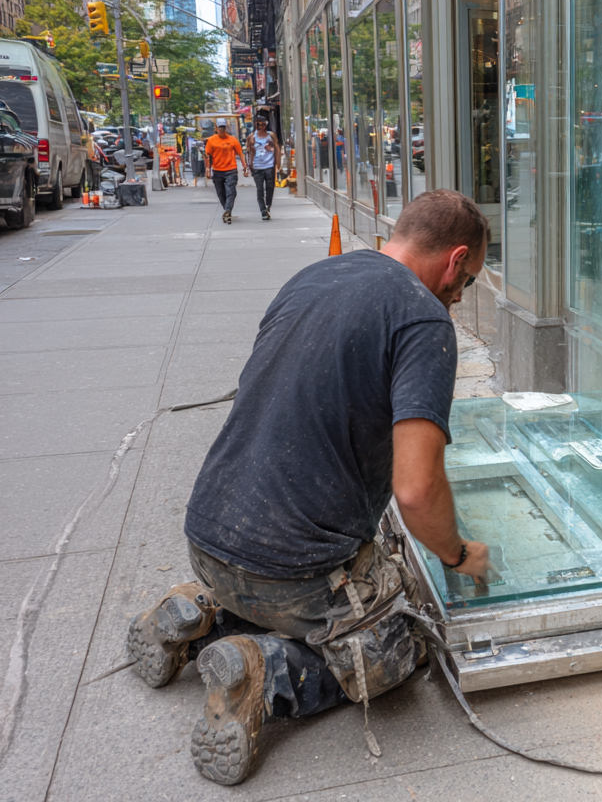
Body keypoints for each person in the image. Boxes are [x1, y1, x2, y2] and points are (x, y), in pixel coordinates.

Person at [126, 190, 493, 786]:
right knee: (399, 648)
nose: (459, 295)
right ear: (454, 261)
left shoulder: (313, 276)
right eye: (469, 281)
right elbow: (417, 492)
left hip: (207, 536)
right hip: (295, 574)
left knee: (269, 586)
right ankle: (262, 670)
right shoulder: (424, 318)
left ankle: (195, 615)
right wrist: (459, 553)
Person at [204, 118, 249, 223]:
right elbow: (207, 155)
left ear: (226, 128)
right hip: (217, 170)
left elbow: (241, 154)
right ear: (216, 128)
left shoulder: (232, 140)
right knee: (221, 193)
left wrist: (245, 167)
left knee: (231, 192)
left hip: (231, 170)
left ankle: (228, 210)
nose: (222, 129)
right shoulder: (211, 141)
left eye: (223, 127)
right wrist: (207, 169)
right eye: (220, 127)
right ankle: (227, 210)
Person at [246, 114, 281, 220]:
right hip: (257, 166)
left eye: (262, 124)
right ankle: (263, 210)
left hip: (269, 165)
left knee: (270, 188)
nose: (260, 126)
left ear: (265, 125)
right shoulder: (251, 137)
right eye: (257, 124)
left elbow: (277, 149)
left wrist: (278, 163)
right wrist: (249, 165)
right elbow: (248, 152)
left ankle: (267, 206)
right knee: (260, 189)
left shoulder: (271, 135)